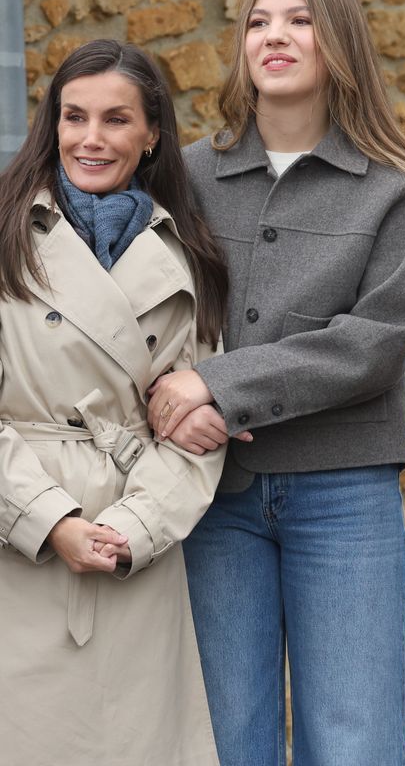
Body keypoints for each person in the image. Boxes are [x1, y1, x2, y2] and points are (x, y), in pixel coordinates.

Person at [147, 0, 405, 766]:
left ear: (338, 43)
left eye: (298, 20)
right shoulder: (184, 175)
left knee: (353, 743)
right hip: (212, 495)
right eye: (257, 21)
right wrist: (172, 398)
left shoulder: (398, 191)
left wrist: (216, 386)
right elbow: (144, 312)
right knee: (224, 738)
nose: (274, 36)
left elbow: (374, 343)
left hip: (343, 496)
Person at [0, 40, 228, 765]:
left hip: (137, 547)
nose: (91, 139)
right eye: (74, 117)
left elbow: (202, 428)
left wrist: (132, 529)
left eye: (116, 119)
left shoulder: (186, 249)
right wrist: (52, 521)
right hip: (23, 544)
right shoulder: (7, 235)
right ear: (53, 124)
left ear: (152, 133)